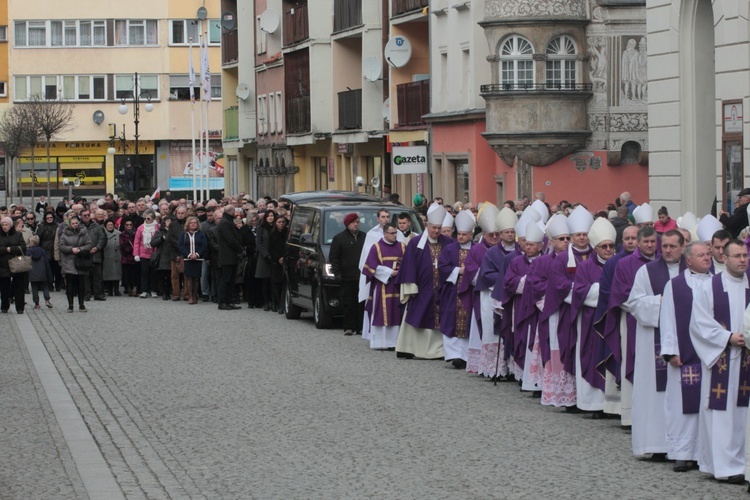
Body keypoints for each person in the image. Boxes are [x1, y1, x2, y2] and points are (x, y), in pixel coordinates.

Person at [690, 239, 749, 484]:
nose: (743, 260)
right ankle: (722, 466)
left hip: (747, 359)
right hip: (722, 360)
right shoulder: (709, 287)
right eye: (737, 256)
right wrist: (727, 337)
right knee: (721, 415)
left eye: (745, 255)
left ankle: (744, 464)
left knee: (743, 415)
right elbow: (699, 324)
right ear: (723, 258)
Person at [627, 229, 686, 458]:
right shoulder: (646, 272)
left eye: (673, 246)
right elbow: (635, 304)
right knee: (655, 392)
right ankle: (657, 445)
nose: (668, 250)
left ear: (682, 247)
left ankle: (684, 446)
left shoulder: (691, 270)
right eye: (665, 246)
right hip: (654, 341)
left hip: (685, 343)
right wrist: (663, 302)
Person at [659, 241, 712, 472]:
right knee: (682, 404)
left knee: (708, 404)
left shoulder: (717, 282)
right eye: (701, 255)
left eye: (708, 255)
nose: (707, 258)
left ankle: (705, 453)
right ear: (688, 260)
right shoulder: (675, 285)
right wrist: (671, 351)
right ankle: (682, 452)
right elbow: (668, 318)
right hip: (684, 355)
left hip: (710, 354)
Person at [602, 225, 658, 426]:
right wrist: (649, 308)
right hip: (632, 320)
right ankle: (630, 415)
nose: (650, 245)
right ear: (639, 243)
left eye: (653, 241)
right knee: (631, 363)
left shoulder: (662, 263)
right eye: (646, 242)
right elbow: (620, 295)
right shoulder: (625, 264)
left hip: (660, 322)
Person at [570, 217, 616, 416]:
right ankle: (594, 405)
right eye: (603, 246)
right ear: (595, 248)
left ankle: (613, 405)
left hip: (613, 319)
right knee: (592, 358)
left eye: (611, 245)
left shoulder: (619, 264)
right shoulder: (585, 267)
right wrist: (606, 290)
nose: (608, 249)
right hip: (592, 320)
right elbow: (580, 292)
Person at [395, 203, 452, 359]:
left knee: (440, 315)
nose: (436, 231)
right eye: (433, 227)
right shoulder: (415, 243)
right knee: (417, 313)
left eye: (439, 228)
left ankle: (439, 350)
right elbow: (409, 265)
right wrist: (410, 286)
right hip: (421, 288)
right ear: (427, 225)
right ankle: (409, 347)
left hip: (441, 288)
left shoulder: (448, 243)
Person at [437, 210, 476, 368]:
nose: (460, 237)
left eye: (464, 234)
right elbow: (442, 266)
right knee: (450, 320)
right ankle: (454, 355)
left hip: (470, 291)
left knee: (469, 322)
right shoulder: (450, 249)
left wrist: (470, 273)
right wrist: (458, 271)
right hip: (452, 291)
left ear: (471, 234)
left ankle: (467, 355)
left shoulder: (477, 249)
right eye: (459, 234)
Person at [361, 222, 405, 349]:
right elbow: (371, 267)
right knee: (383, 312)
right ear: (385, 233)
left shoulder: (402, 246)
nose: (394, 235)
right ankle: (382, 342)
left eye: (395, 233)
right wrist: (390, 272)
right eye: (391, 233)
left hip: (398, 285)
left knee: (397, 311)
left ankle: (396, 342)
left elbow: (408, 263)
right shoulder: (376, 247)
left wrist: (400, 271)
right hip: (382, 286)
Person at [330, 213, 366, 335]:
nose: (356, 224)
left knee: (361, 302)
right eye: (353, 222)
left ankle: (361, 326)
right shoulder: (339, 238)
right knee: (348, 303)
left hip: (362, 276)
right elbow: (334, 258)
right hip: (346, 276)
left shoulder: (364, 237)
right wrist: (338, 273)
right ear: (347, 224)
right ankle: (349, 326)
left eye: (357, 222)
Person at [58, 215, 92, 312]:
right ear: (69, 224)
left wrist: (80, 249)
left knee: (81, 284)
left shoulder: (84, 233)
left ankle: (81, 304)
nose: (75, 225)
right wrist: (71, 249)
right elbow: (61, 246)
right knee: (70, 285)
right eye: (73, 223)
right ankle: (70, 305)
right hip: (68, 261)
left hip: (81, 261)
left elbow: (89, 244)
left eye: (76, 223)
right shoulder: (64, 234)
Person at [216, 205, 244, 310]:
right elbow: (230, 239)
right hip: (227, 256)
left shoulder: (227, 221)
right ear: (231, 212)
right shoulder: (225, 223)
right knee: (226, 279)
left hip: (231, 255)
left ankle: (229, 301)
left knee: (231, 279)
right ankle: (222, 302)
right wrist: (240, 249)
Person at [178, 216, 208, 305]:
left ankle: (195, 295)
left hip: (198, 259)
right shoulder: (183, 234)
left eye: (195, 222)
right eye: (191, 223)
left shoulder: (201, 234)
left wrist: (197, 254)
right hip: (187, 259)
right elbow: (180, 246)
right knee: (189, 277)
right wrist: (189, 255)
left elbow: (204, 245)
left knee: (196, 278)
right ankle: (190, 296)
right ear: (188, 224)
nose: (193, 224)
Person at [0, 216, 27, 313]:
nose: (4, 227)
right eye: (3, 225)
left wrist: (10, 249)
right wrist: (5, 249)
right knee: (4, 288)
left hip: (17, 264)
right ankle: (4, 306)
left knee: (19, 287)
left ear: (10, 225)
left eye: (6, 225)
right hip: (3, 265)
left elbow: (23, 247)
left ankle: (20, 308)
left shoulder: (18, 235)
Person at [80, 208, 107, 301]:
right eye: (85, 215)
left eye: (88, 215)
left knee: (97, 276)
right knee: (85, 276)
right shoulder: (79, 227)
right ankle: (86, 294)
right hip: (84, 255)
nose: (87, 217)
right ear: (81, 216)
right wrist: (84, 249)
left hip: (96, 254)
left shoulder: (97, 226)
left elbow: (102, 239)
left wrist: (97, 247)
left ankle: (98, 294)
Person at [133, 210, 159, 298]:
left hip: (154, 253)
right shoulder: (141, 228)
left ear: (153, 219)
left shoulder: (157, 227)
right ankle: (144, 290)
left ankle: (153, 289)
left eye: (148, 218)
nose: (146, 220)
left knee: (153, 272)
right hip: (143, 253)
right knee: (144, 272)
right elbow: (136, 242)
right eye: (145, 218)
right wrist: (136, 254)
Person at [255, 210, 276, 311]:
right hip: (264, 257)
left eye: (272, 215)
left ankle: (274, 301)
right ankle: (266, 301)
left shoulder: (277, 227)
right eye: (269, 216)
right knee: (265, 281)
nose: (271, 217)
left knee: (274, 280)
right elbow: (258, 243)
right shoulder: (261, 228)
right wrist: (266, 255)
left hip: (275, 256)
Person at [150, 216, 174, 300]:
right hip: (163, 257)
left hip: (172, 256)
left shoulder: (174, 232)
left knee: (171, 276)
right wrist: (161, 238)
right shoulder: (160, 232)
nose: (169, 223)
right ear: (164, 223)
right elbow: (152, 243)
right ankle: (164, 292)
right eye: (167, 221)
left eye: (170, 221)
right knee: (163, 276)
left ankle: (170, 292)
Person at [26, 235, 53, 309]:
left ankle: (37, 303)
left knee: (34, 288)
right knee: (45, 287)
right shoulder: (42, 251)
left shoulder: (28, 252)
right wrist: (49, 274)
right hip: (42, 272)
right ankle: (47, 300)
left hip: (32, 273)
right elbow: (46, 263)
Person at [37, 211, 62, 291]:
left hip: (55, 248)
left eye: (51, 217)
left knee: (57, 269)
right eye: (47, 218)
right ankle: (49, 285)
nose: (49, 219)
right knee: (47, 269)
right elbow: (38, 238)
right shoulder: (41, 226)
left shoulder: (57, 226)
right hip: (45, 249)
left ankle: (58, 285)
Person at [268, 215, 288, 313]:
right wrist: (278, 258)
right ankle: (276, 303)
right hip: (275, 260)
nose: (281, 224)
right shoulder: (272, 234)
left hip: (285, 259)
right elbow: (270, 248)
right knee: (276, 282)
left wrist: (284, 257)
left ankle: (283, 304)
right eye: (279, 222)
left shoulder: (287, 233)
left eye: (283, 222)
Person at [101, 219, 122, 296]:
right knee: (108, 273)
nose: (110, 226)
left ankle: (116, 290)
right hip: (107, 255)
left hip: (117, 255)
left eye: (111, 225)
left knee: (117, 273)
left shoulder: (119, 233)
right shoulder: (102, 234)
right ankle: (110, 290)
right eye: (108, 225)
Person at [119, 218, 138, 296]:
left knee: (135, 273)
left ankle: (135, 287)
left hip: (135, 257)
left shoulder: (136, 233)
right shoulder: (122, 234)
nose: (129, 226)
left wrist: (135, 250)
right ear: (124, 226)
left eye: (130, 224)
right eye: (127, 225)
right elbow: (122, 246)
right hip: (126, 257)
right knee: (127, 274)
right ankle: (128, 288)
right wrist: (131, 249)